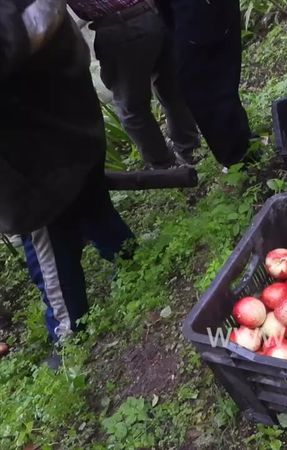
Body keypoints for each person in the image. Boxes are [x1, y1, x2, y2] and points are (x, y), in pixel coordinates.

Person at [1, 0, 135, 352]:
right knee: (94, 210)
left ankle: (70, 332)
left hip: (37, 170)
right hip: (74, 132)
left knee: (51, 255)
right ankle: (131, 257)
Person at [67, 0, 201, 169]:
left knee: (131, 108)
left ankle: (164, 166)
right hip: (153, 13)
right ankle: (191, 150)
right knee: (171, 89)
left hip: (120, 30)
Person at [157, 0, 254, 167]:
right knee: (222, 78)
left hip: (194, 15)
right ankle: (244, 146)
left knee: (205, 89)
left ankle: (239, 158)